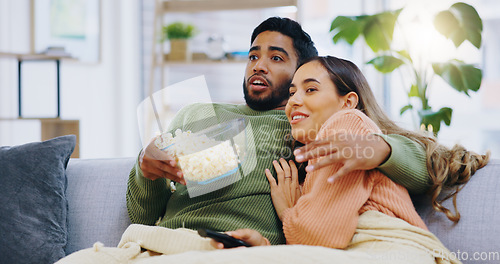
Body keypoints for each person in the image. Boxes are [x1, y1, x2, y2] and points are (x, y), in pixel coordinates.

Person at [56, 17, 431, 263]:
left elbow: (418, 163)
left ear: (300, 73)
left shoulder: (307, 125)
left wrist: (378, 148)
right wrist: (146, 168)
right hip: (160, 243)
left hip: (243, 249)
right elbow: (143, 215)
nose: (259, 65)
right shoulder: (198, 113)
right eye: (253, 55)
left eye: (276, 57)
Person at [211, 56, 489, 263]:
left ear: (348, 101)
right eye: (292, 92)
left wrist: (287, 211)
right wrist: (264, 248)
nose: (294, 101)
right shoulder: (321, 158)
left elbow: (321, 236)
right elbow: (321, 246)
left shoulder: (348, 122)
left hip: (388, 248)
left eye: (310, 90)